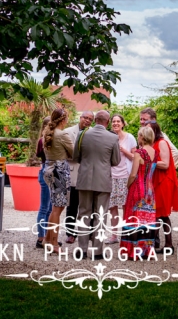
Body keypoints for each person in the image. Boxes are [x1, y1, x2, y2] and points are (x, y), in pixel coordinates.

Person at [74, 110, 120, 259]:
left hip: (85, 179)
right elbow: (116, 161)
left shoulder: (82, 134)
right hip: (103, 180)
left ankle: (82, 249)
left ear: (95, 121)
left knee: (83, 214)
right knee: (100, 215)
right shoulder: (113, 138)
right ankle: (97, 251)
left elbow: (76, 156)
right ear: (107, 122)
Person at [120, 125, 157, 260]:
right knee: (146, 221)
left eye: (139, 135)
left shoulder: (139, 153)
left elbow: (133, 174)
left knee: (133, 220)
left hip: (137, 189)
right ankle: (146, 250)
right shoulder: (155, 152)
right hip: (150, 192)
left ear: (142, 137)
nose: (137, 137)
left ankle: (132, 251)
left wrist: (127, 186)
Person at [146, 117, 178, 253]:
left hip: (164, 181)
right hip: (155, 180)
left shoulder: (162, 143)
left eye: (148, 129)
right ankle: (154, 243)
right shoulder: (152, 143)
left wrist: (148, 161)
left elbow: (165, 164)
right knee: (155, 213)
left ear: (154, 130)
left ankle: (169, 245)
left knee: (163, 213)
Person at [41, 108, 73, 251]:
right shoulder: (62, 134)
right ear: (63, 120)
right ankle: (54, 243)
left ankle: (47, 240)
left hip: (49, 167)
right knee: (57, 209)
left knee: (55, 207)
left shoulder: (47, 133)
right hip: (60, 170)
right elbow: (73, 153)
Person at [63, 110, 95, 244]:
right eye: (85, 118)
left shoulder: (94, 133)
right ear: (80, 117)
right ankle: (70, 233)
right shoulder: (68, 132)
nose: (87, 121)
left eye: (90, 119)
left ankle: (88, 233)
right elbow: (64, 153)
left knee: (89, 206)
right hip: (73, 171)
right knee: (72, 205)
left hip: (88, 173)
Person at [106, 114, 136, 244]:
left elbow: (135, 158)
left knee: (125, 205)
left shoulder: (130, 138)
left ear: (123, 124)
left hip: (125, 175)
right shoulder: (108, 137)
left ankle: (125, 233)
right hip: (111, 176)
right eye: (113, 121)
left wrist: (123, 150)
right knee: (112, 207)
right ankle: (114, 235)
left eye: (118, 121)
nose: (116, 123)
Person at [35, 117, 52, 249]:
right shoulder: (44, 140)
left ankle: (47, 236)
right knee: (44, 208)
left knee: (50, 208)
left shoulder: (43, 140)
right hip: (46, 172)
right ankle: (41, 238)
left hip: (48, 173)